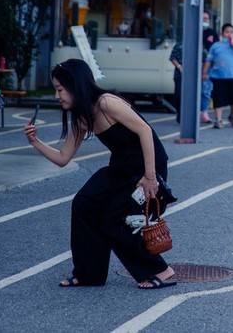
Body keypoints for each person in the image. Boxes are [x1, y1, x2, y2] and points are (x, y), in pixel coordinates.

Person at [24, 59, 177, 290]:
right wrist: (35, 142)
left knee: (114, 218)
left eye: (60, 89)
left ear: (75, 85)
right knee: (84, 203)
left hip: (146, 165)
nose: (57, 96)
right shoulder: (82, 116)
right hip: (120, 167)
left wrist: (150, 176)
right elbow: (63, 158)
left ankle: (160, 270)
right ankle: (89, 274)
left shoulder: (106, 103)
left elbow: (145, 131)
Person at [203, 23, 233, 128]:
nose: (229, 34)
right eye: (227, 32)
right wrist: (204, 72)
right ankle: (218, 120)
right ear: (222, 33)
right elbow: (209, 60)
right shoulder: (216, 46)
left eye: (231, 32)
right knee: (218, 98)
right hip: (218, 77)